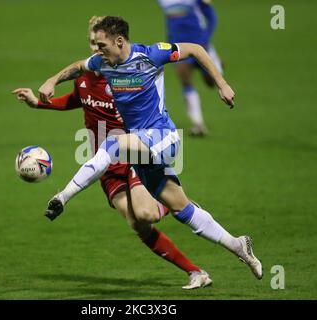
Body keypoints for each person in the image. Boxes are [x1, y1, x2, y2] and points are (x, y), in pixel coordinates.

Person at [38, 16, 263, 281]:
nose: (97, 51)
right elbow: (77, 67)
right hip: (141, 149)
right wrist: (53, 80)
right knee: (183, 210)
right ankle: (238, 245)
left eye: (102, 45)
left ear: (119, 41)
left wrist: (222, 84)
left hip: (163, 136)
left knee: (113, 144)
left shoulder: (152, 54)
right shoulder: (102, 63)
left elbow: (196, 50)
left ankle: (63, 196)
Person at [13, 16, 212, 289]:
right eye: (92, 43)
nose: (95, 48)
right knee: (138, 225)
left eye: (100, 44)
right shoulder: (84, 77)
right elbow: (77, 100)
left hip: (131, 153)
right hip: (103, 163)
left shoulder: (119, 76)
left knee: (147, 214)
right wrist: (39, 105)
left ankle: (179, 204)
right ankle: (195, 272)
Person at [157, 0, 223, 136]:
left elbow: (211, 17)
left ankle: (216, 63)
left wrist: (205, 40)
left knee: (211, 82)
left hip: (201, 46)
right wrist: (170, 42)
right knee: (185, 81)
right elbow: (169, 20)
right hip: (180, 47)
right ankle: (198, 124)